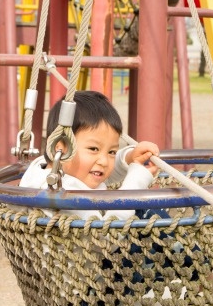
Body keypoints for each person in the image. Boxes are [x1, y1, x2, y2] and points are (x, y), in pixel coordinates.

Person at [19, 90, 160, 220]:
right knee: (146, 210)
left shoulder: (44, 167)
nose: (104, 161)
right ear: (60, 149)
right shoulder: (60, 193)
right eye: (93, 149)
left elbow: (104, 174)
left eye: (111, 152)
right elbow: (105, 236)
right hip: (94, 245)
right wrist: (135, 182)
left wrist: (128, 158)